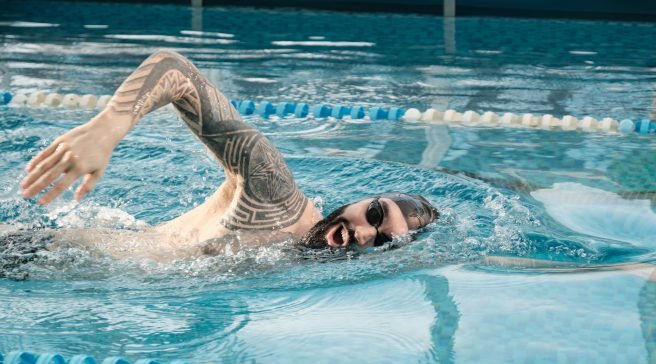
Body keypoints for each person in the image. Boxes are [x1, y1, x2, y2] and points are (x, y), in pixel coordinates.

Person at [17, 50, 439, 257]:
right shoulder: (276, 199)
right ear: (359, 200)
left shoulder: (293, 263)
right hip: (35, 251)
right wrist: (107, 128)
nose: (366, 232)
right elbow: (177, 71)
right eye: (376, 214)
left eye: (384, 239)